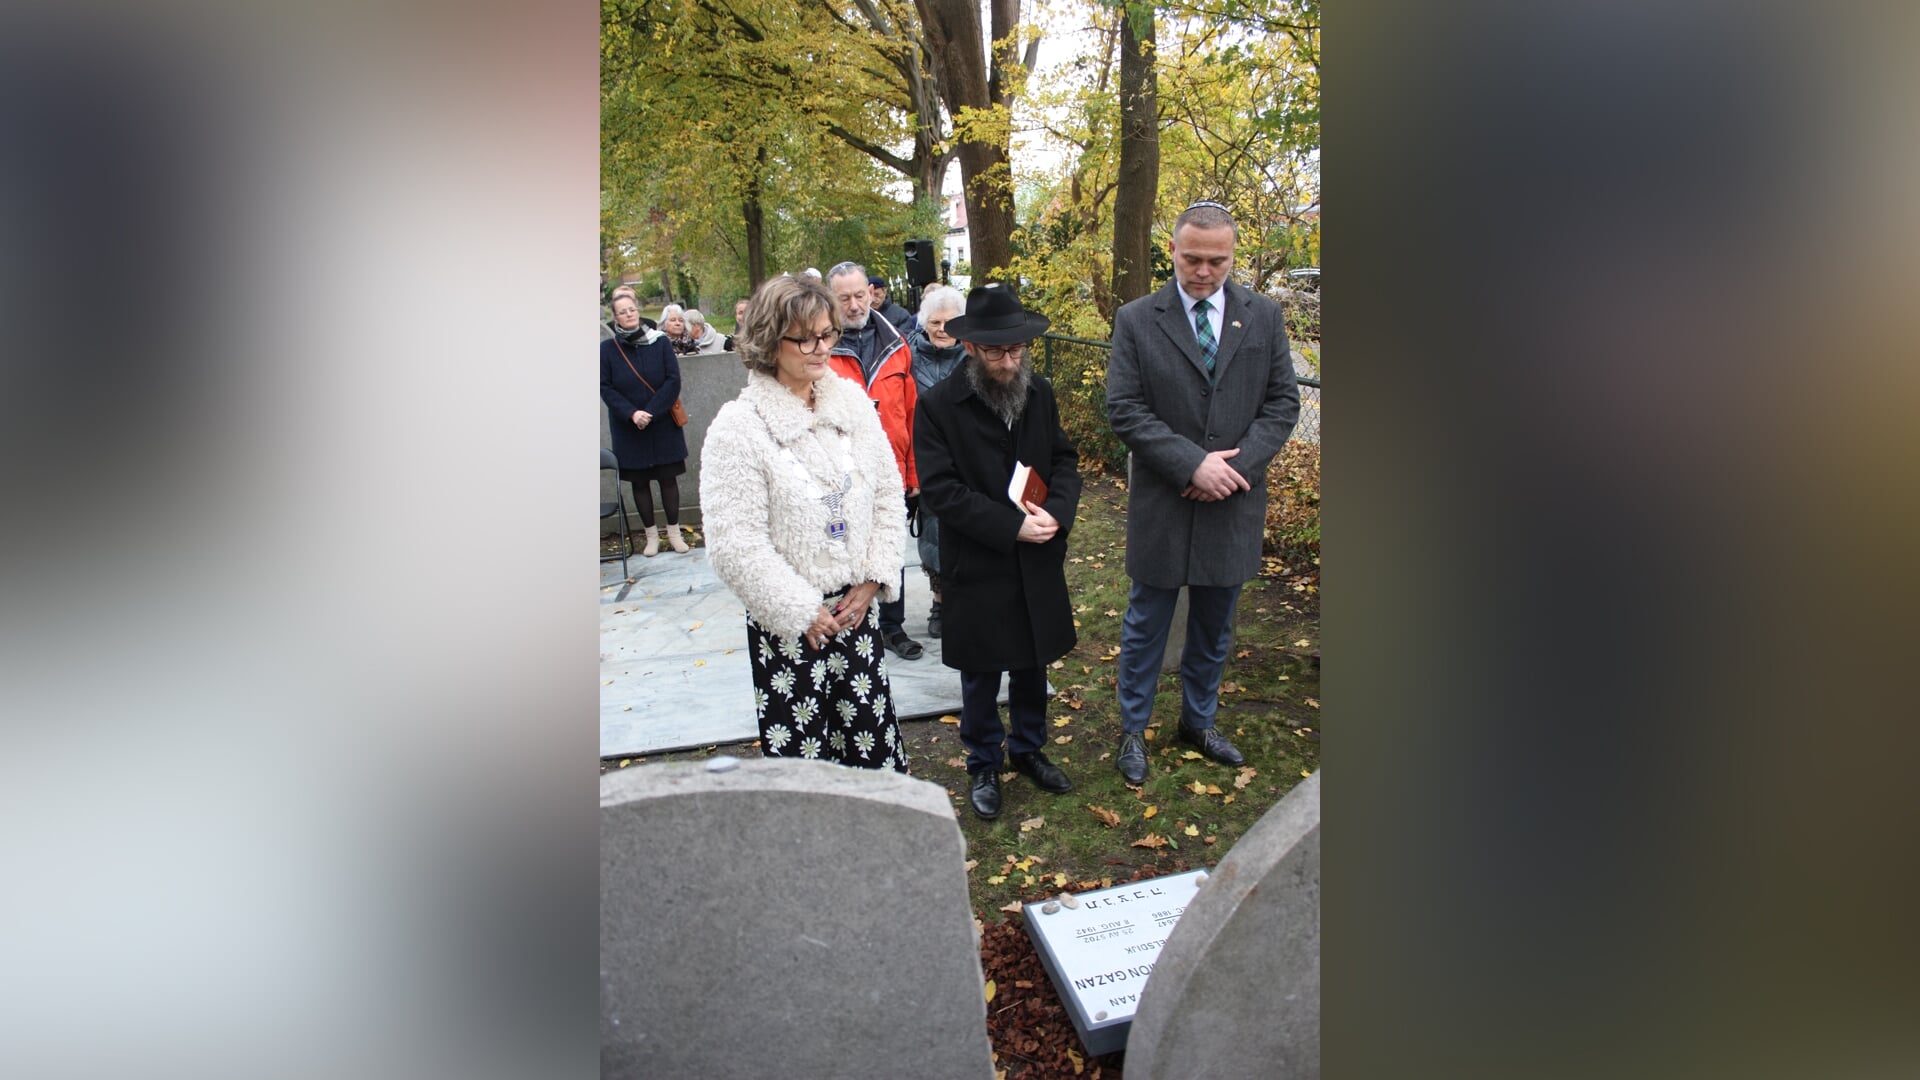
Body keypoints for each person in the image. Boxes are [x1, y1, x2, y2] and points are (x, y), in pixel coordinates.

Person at [1105, 199, 1300, 784]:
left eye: (1218, 261)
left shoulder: (1263, 316)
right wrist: (1193, 465)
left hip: (1233, 501)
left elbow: (1282, 403)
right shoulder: (1138, 318)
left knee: (1215, 625)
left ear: (1233, 255)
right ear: (1173, 250)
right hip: (1165, 500)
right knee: (1147, 624)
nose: (1204, 272)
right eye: (1193, 259)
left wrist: (1232, 470)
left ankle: (1199, 720)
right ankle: (1132, 731)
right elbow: (1125, 408)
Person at [699, 275, 909, 771]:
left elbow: (886, 494)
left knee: (870, 741)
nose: (822, 348)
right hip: (791, 629)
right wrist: (801, 610)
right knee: (806, 758)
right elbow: (734, 544)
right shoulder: (738, 428)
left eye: (828, 333)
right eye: (807, 337)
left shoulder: (852, 403)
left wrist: (875, 577)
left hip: (857, 612)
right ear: (771, 340)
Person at [913, 283, 1082, 819]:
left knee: (1033, 659)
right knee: (983, 668)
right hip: (980, 558)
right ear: (970, 349)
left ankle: (1029, 747)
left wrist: (1057, 510)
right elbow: (941, 490)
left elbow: (1063, 461)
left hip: (1036, 557)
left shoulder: (1041, 392)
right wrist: (1010, 527)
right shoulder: (939, 406)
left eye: (1016, 351)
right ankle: (983, 759)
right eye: (995, 352)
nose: (1009, 362)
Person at [824, 261, 924, 662]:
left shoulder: (897, 344)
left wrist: (914, 469)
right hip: (838, 474)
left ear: (871, 292)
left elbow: (912, 412)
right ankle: (846, 622)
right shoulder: (819, 346)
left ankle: (892, 625)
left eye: (859, 294)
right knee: (843, 547)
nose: (853, 304)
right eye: (844, 297)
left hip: (891, 470)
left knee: (888, 544)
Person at [601, 293, 693, 556]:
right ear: (615, 317)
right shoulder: (607, 350)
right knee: (640, 483)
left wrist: (651, 411)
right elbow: (605, 388)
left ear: (638, 311)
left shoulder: (660, 342)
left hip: (662, 421)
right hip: (629, 427)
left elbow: (672, 380)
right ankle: (651, 536)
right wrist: (632, 414)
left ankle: (674, 533)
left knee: (668, 479)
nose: (629, 314)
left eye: (632, 309)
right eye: (623, 311)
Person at [904, 284, 967, 638]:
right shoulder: (907, 356)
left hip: (969, 456)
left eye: (951, 321)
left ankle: (968, 599)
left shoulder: (974, 354)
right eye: (935, 321)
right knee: (934, 532)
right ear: (923, 322)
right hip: (927, 458)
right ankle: (941, 603)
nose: (943, 328)